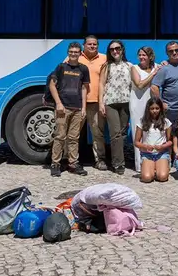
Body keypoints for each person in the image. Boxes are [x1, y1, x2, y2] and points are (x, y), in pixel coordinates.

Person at [48, 42, 90, 177]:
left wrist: (84, 107)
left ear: (80, 54)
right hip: (63, 108)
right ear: (68, 53)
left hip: (77, 108)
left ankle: (73, 163)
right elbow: (52, 85)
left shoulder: (83, 69)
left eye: (76, 52)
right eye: (71, 51)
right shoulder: (61, 67)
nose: (73, 54)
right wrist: (58, 103)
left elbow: (84, 88)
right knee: (60, 136)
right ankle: (55, 164)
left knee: (74, 138)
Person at [71, 35, 108, 170]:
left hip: (96, 102)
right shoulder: (75, 57)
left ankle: (100, 160)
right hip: (77, 103)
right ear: (84, 45)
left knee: (97, 133)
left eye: (95, 45)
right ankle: (70, 160)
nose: (92, 46)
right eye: (89, 44)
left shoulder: (104, 58)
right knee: (73, 133)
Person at [98, 40, 133, 174]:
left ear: (122, 49)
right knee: (115, 133)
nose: (115, 51)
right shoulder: (106, 66)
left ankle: (120, 157)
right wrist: (101, 103)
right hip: (111, 102)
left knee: (123, 133)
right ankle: (118, 163)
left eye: (117, 48)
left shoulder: (129, 66)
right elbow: (101, 84)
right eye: (112, 49)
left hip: (126, 102)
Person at [130, 47, 159, 172]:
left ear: (150, 56)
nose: (141, 57)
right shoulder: (134, 68)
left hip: (151, 104)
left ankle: (153, 162)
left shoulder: (157, 66)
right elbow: (140, 84)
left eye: (144, 55)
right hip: (137, 103)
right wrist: (153, 74)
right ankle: (140, 164)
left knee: (152, 132)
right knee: (138, 133)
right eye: (140, 55)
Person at [152, 42, 178, 124]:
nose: (174, 53)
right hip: (170, 109)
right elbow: (154, 87)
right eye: (171, 51)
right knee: (169, 134)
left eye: (176, 50)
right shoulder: (164, 68)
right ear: (167, 53)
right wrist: (161, 103)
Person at [134, 98, 172, 183]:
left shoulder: (166, 122)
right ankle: (149, 167)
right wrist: (145, 146)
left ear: (160, 109)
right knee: (147, 178)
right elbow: (136, 142)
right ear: (148, 109)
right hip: (147, 154)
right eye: (152, 109)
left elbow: (170, 141)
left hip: (161, 153)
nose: (154, 111)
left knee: (162, 177)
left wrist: (162, 146)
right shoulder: (142, 122)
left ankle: (161, 166)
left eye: (157, 108)